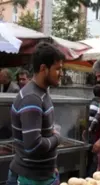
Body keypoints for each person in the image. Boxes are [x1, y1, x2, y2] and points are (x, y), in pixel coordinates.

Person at [8, 42, 64, 185]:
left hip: (42, 175)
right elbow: (33, 145)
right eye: (58, 69)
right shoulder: (32, 99)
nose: (61, 74)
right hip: (30, 179)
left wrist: (52, 167)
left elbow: (44, 132)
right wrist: (57, 137)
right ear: (43, 68)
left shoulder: (42, 93)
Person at [85, 84, 100, 177]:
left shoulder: (90, 103)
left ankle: (87, 174)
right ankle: (89, 175)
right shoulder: (99, 105)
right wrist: (91, 129)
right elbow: (96, 120)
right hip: (94, 134)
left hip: (88, 134)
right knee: (94, 158)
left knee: (89, 156)